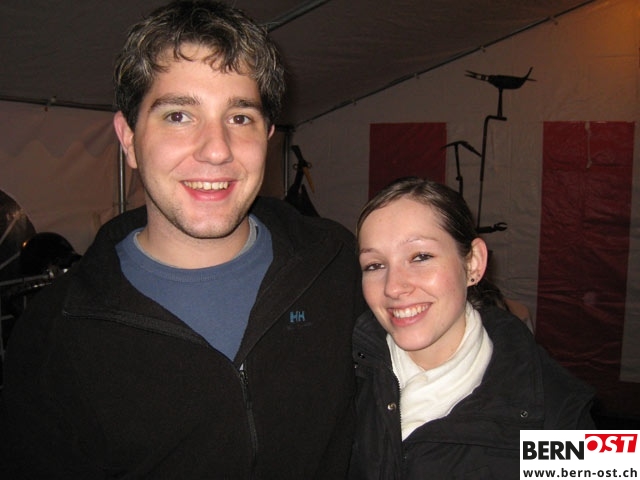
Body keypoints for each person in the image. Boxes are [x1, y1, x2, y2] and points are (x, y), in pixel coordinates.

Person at [0, 1, 365, 478]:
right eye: (178, 116)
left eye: (240, 118)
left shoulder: (337, 264)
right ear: (128, 138)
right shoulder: (56, 333)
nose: (216, 150)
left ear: (269, 135)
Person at [348, 176, 595, 479]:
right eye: (375, 265)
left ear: (473, 263)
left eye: (420, 256)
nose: (393, 287)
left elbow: (612, 465)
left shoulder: (558, 408)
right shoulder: (339, 373)